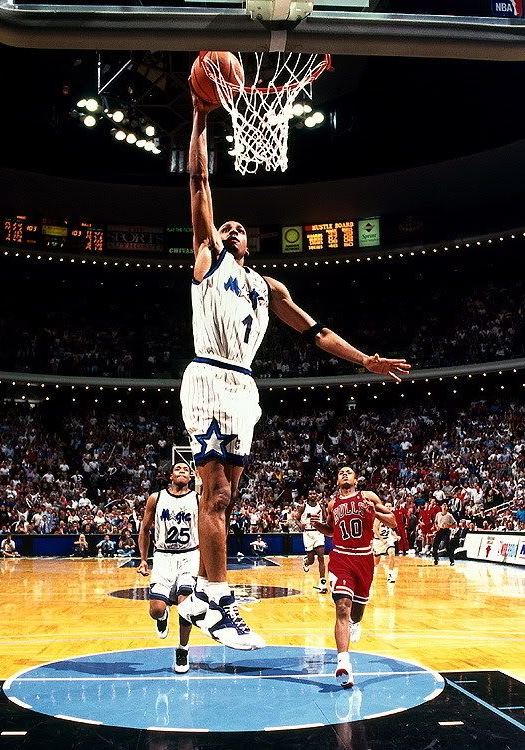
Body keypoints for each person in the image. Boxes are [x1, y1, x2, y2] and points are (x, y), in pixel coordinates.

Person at [177, 88, 412, 652]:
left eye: (239, 227)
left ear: (250, 242)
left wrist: (365, 360)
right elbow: (199, 183)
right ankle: (218, 598)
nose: (232, 227)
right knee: (214, 493)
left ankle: (204, 594)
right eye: (226, 225)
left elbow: (317, 332)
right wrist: (200, 117)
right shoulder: (208, 257)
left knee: (225, 496)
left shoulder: (269, 287)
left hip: (244, 386)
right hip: (210, 374)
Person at [311, 466, 397, 687]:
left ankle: (355, 623)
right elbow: (332, 531)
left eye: (349, 472)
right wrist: (318, 526)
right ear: (336, 481)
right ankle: (344, 664)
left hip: (364, 559)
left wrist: (374, 512)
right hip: (341, 558)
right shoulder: (332, 504)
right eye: (341, 472)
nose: (344, 474)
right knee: (342, 607)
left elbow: (393, 521)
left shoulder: (368, 497)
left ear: (356, 480)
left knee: (356, 614)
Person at [138, 463, 199, 674]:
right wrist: (143, 559)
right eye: (178, 469)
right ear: (171, 475)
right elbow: (145, 529)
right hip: (163, 556)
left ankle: (183, 649)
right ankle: (162, 617)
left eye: (186, 469)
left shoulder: (198, 499)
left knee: (186, 606)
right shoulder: (156, 498)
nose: (182, 471)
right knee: (156, 609)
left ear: (191, 477)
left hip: (189, 555)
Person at [294, 490, 328, 593]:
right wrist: (300, 525)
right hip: (308, 534)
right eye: (311, 494)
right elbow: (296, 519)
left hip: (318, 533)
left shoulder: (321, 507)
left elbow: (326, 519)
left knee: (321, 557)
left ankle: (322, 583)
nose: (313, 495)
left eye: (314, 494)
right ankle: (306, 561)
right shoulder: (303, 507)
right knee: (311, 560)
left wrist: (325, 525)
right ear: (308, 496)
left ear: (317, 496)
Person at [373, 501, 399, 583]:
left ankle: (390, 575)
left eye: (389, 506)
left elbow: (389, 528)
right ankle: (372, 573)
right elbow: (375, 529)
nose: (388, 507)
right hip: (378, 540)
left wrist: (395, 536)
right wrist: (382, 540)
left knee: (392, 553)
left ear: (391, 508)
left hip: (388, 539)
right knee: (376, 562)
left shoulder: (391, 517)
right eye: (386, 506)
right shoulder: (379, 517)